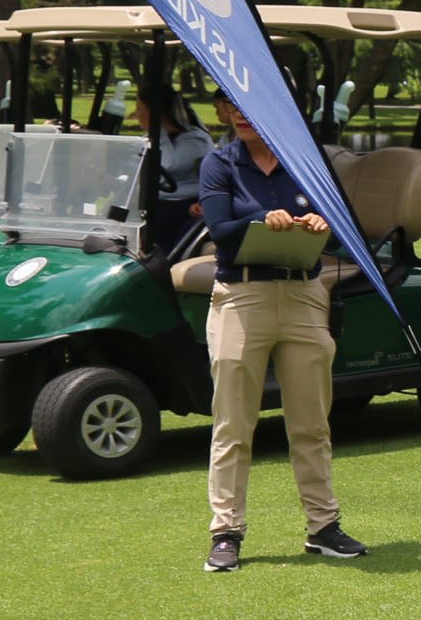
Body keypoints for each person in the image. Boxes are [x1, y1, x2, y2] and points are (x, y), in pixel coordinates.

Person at [196, 93, 366, 573]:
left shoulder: (305, 162)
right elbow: (219, 230)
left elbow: (343, 230)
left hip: (303, 295)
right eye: (231, 105)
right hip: (241, 296)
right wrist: (259, 220)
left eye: (247, 103)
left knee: (311, 422)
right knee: (234, 423)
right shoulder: (219, 163)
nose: (240, 113)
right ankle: (226, 532)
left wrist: (322, 222)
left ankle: (322, 527)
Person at [149, 90, 210, 254]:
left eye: (140, 109)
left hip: (185, 203)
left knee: (158, 219)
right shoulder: (163, 137)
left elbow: (166, 165)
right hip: (161, 201)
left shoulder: (195, 139)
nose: (136, 114)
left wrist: (158, 131)